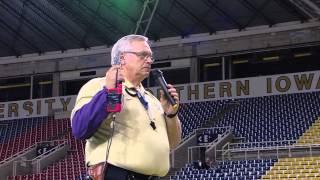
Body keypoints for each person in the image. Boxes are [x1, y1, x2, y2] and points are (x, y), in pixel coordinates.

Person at [71, 34, 182, 180]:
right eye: (143, 55)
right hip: (118, 174)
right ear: (122, 58)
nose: (149, 60)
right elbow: (80, 128)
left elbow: (172, 144)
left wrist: (171, 115)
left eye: (150, 56)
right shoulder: (98, 85)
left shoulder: (152, 99)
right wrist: (109, 92)